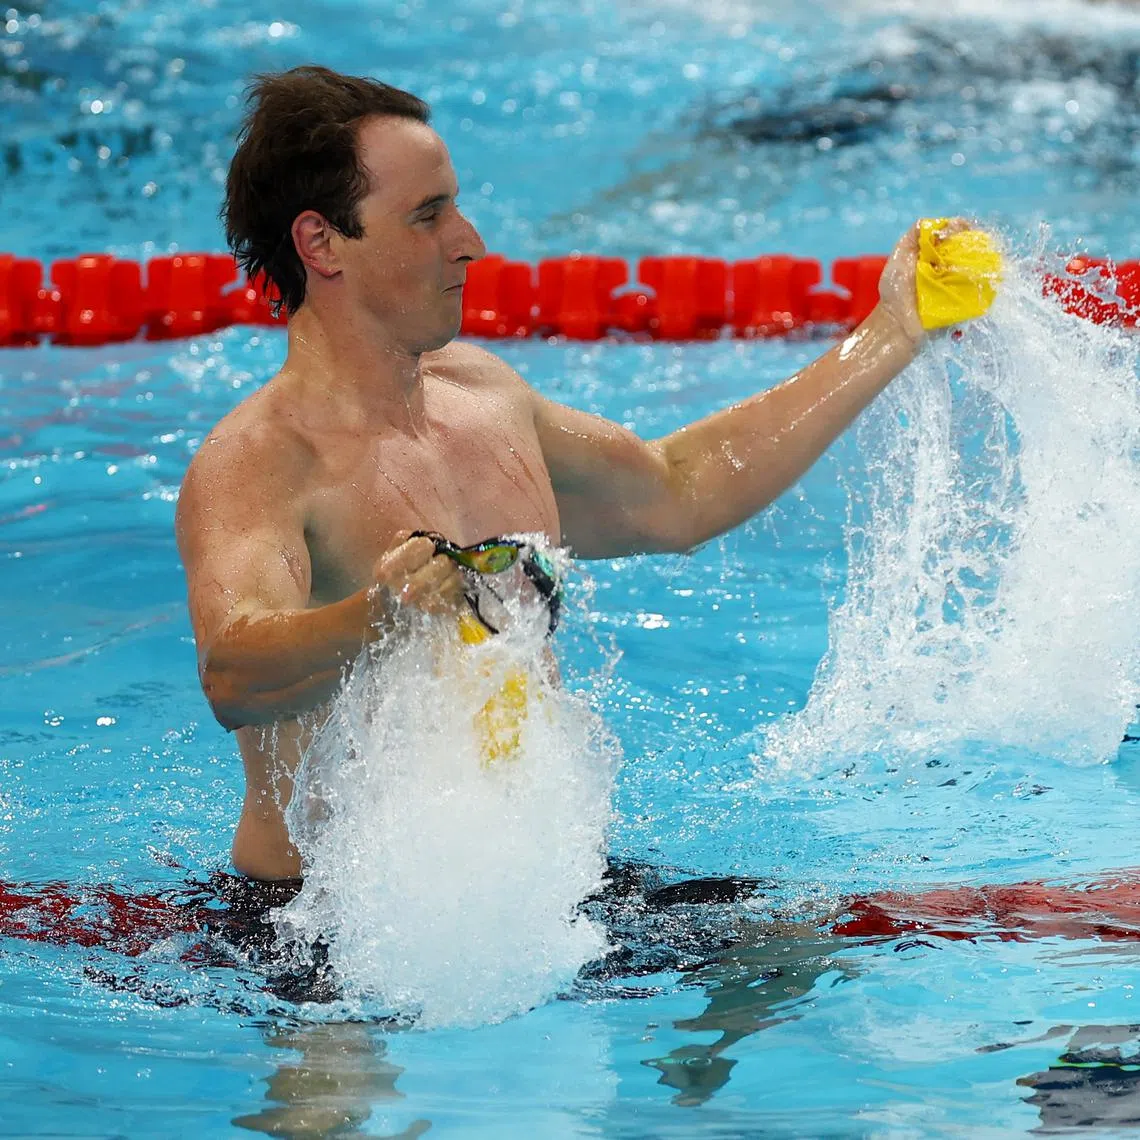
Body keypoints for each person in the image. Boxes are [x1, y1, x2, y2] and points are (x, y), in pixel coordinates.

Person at [175, 64, 963, 883]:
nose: (470, 241)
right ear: (322, 243)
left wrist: (891, 332)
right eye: (427, 216)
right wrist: (375, 617)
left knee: (796, 953)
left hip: (531, 888)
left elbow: (677, 491)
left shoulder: (481, 396)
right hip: (319, 921)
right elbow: (233, 672)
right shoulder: (259, 463)